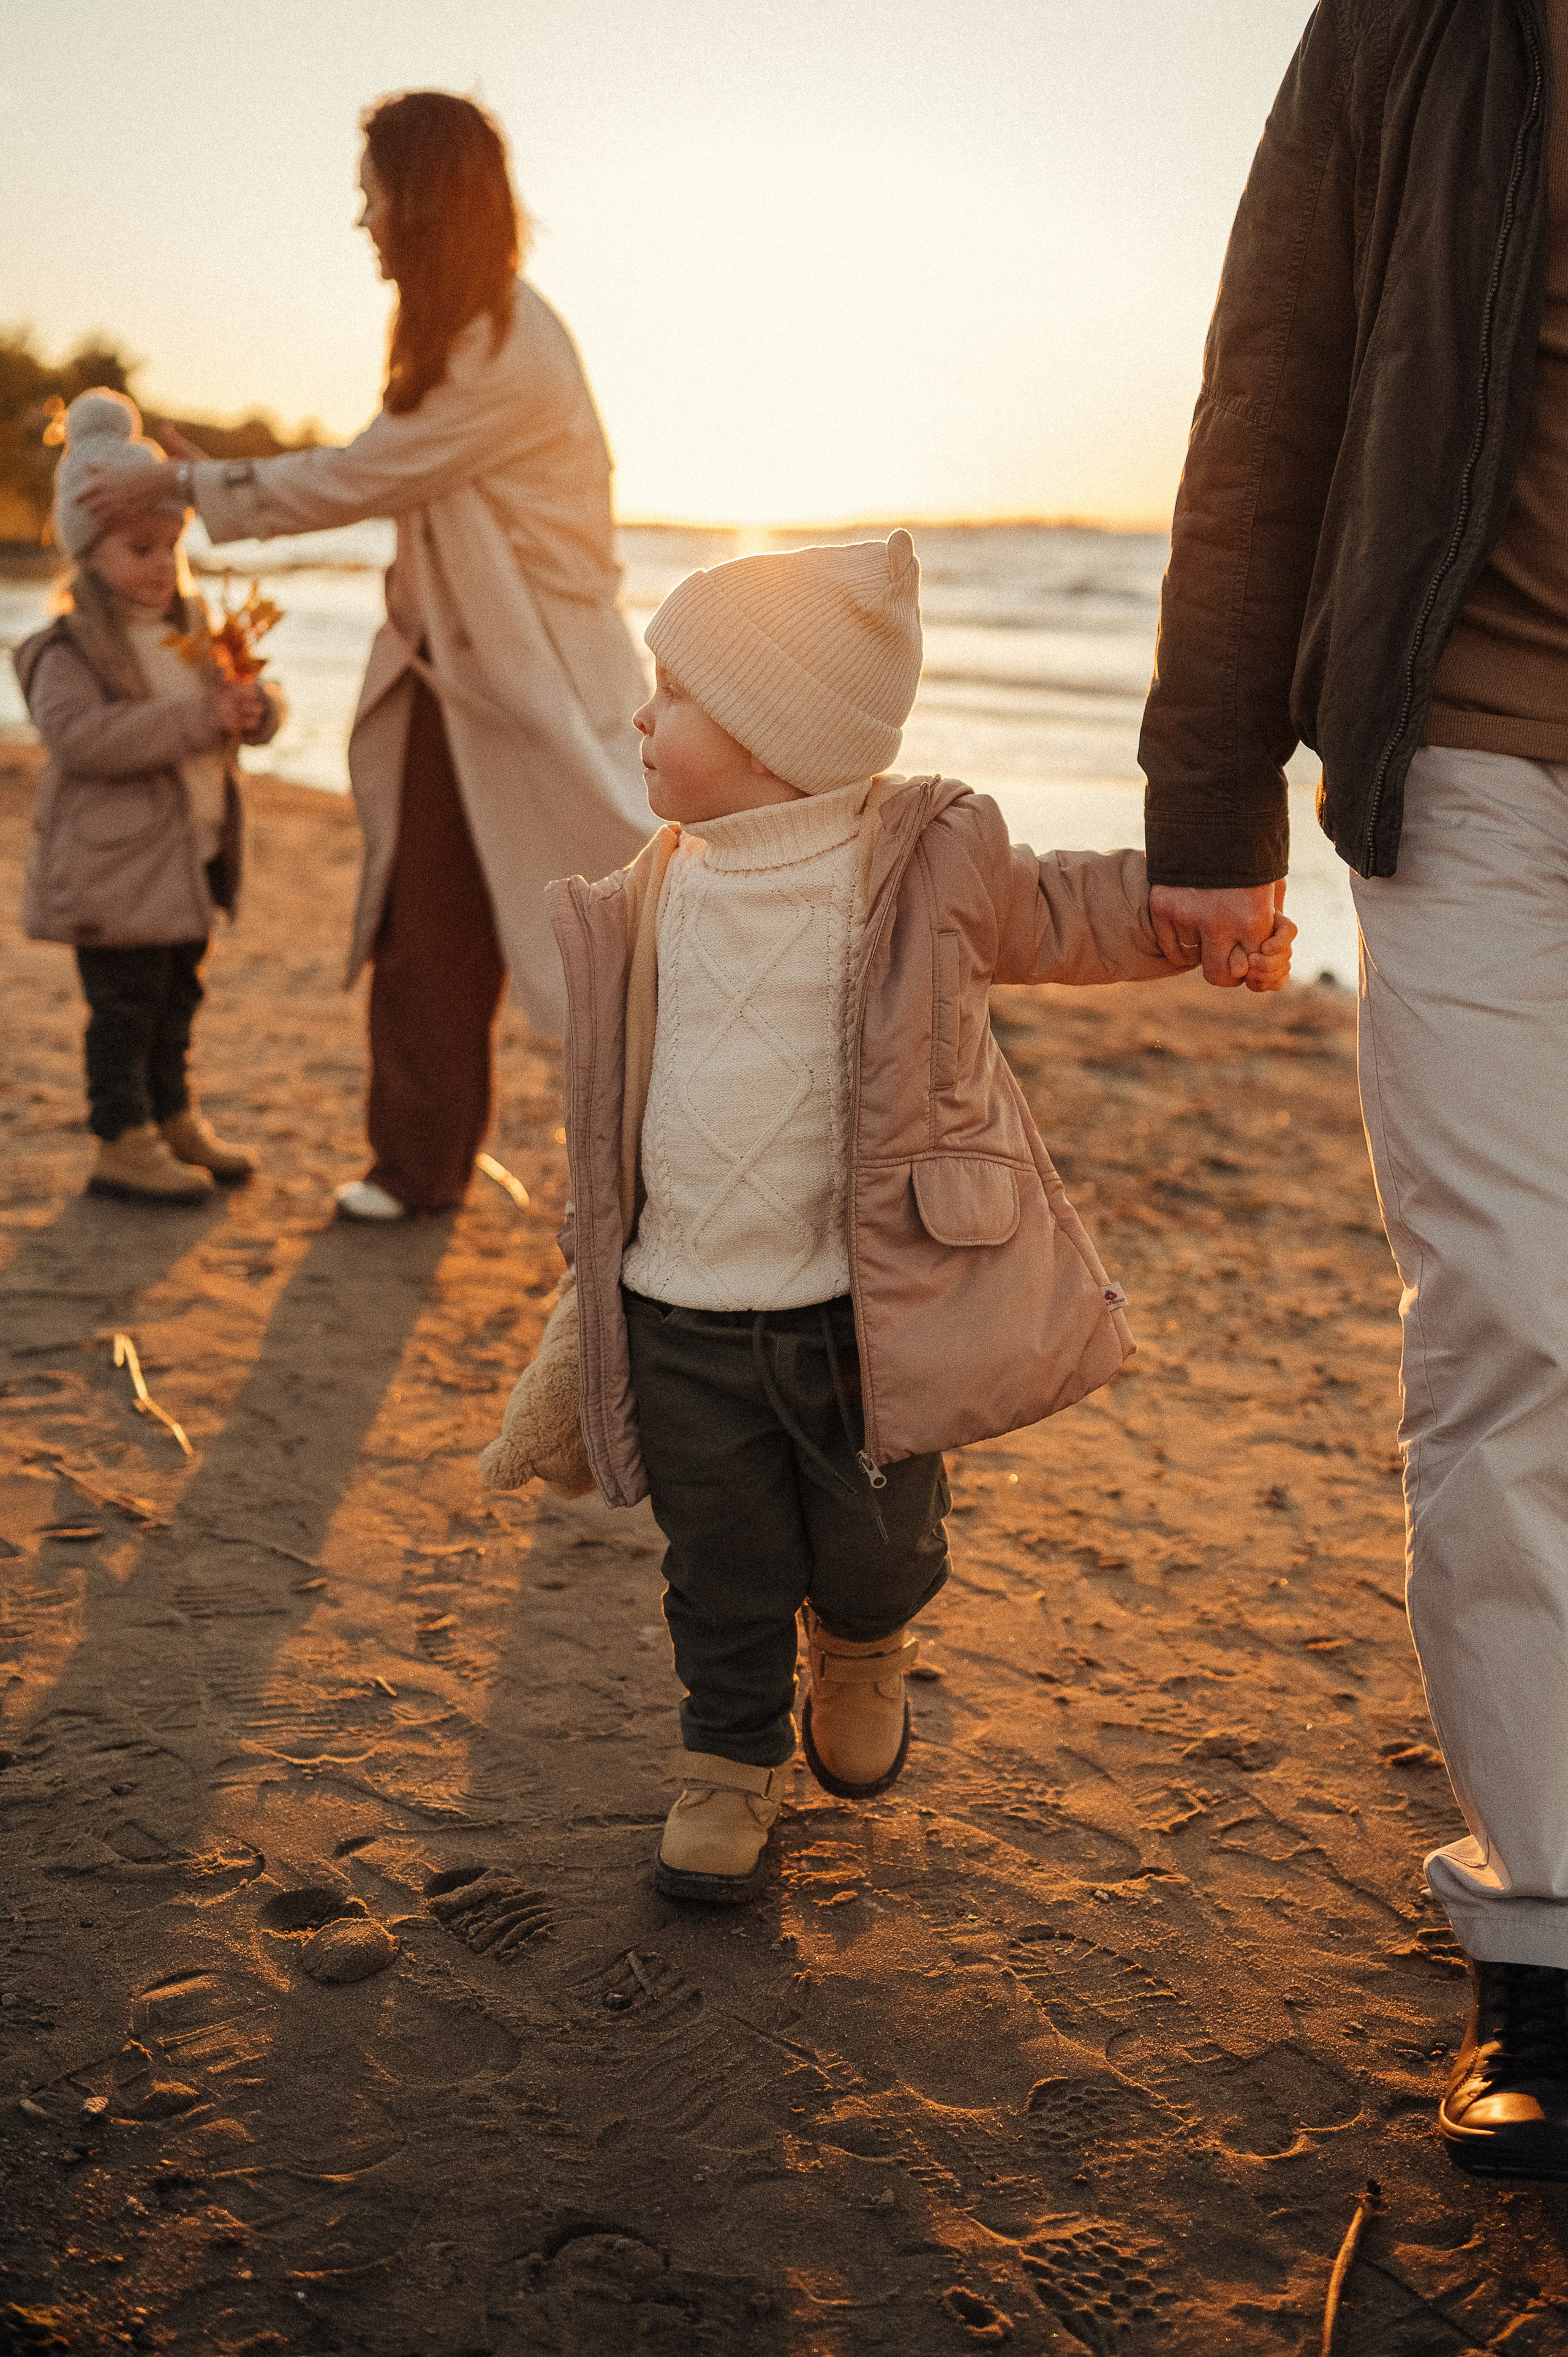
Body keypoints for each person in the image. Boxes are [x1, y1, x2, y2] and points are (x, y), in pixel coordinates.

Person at [487, 532, 1294, 1905]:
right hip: (680, 1302)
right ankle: (723, 1762)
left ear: (764, 732)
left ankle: (862, 1645)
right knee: (719, 1563)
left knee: (875, 1543)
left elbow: (1064, 908)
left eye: (670, 693)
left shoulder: (927, 854)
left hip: (863, 1312)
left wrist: (1187, 910)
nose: (639, 716)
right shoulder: (658, 878)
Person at [1140, 1, 1568, 2179]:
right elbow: (1278, 371)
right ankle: (1552, 1939)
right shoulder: (1418, 21)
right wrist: (1204, 782)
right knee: (1509, 1320)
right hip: (1479, 750)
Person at [81, 89, 650, 1223]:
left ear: (422, 200)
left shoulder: (504, 342)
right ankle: (419, 1162)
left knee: (606, 933)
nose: (362, 222)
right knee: (422, 912)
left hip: (533, 683)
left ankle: (631, 1166)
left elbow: (361, 475)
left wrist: (186, 484)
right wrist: (213, 478)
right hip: (459, 676)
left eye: (373, 197)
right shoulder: (466, 331)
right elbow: (369, 464)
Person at [14, 390, 279, 1204]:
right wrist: (200, 717)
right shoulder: (65, 649)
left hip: (187, 862)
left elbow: (234, 711)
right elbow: (85, 740)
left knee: (176, 1000)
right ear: (87, 553)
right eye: (139, 548)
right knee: (124, 1010)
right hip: (114, 869)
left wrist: (254, 711)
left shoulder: (194, 630)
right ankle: (120, 1139)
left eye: (171, 546)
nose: (162, 564)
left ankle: (171, 1116)